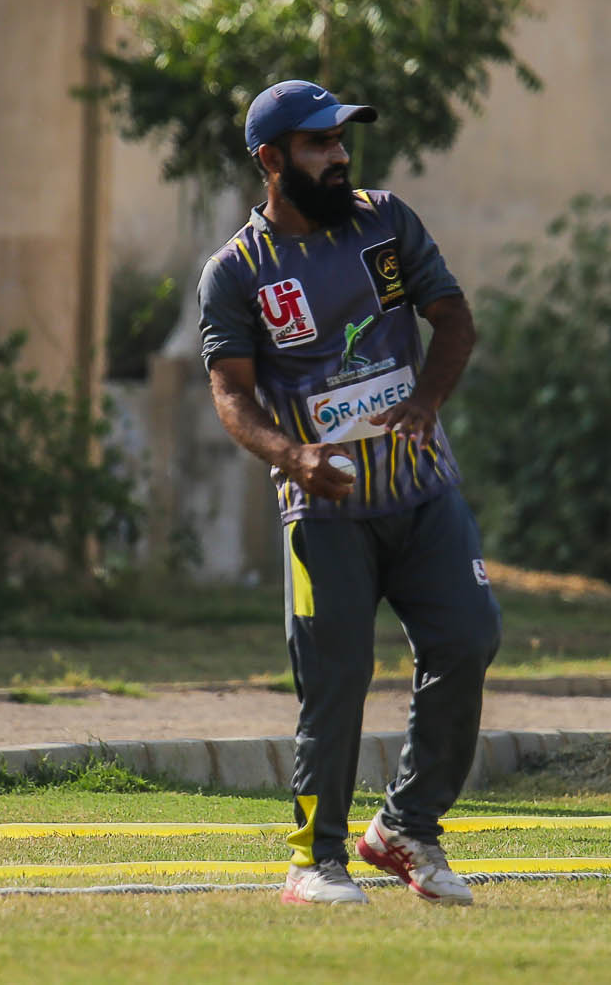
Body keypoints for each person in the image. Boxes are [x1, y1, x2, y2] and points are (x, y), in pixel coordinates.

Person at [196, 79, 502, 906]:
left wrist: (427, 401)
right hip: (323, 511)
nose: (339, 156)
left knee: (469, 638)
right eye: (319, 144)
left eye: (340, 140)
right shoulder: (236, 272)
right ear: (271, 159)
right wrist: (291, 456)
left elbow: (454, 318)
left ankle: (406, 826)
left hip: (423, 489)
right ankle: (315, 862)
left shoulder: (386, 221)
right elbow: (231, 392)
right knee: (336, 680)